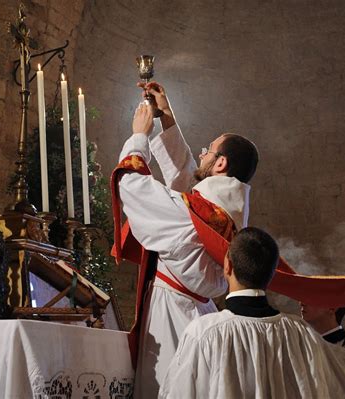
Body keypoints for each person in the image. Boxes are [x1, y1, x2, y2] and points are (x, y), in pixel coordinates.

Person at [114, 82, 259, 398]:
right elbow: (186, 178)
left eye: (208, 150)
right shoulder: (222, 211)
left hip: (174, 320)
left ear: (221, 164)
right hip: (198, 312)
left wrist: (139, 135)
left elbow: (134, 187)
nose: (201, 153)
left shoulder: (193, 215)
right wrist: (166, 117)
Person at [159, 227, 345, 399]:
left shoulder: (204, 332)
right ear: (272, 276)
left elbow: (176, 393)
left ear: (227, 266)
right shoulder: (298, 331)